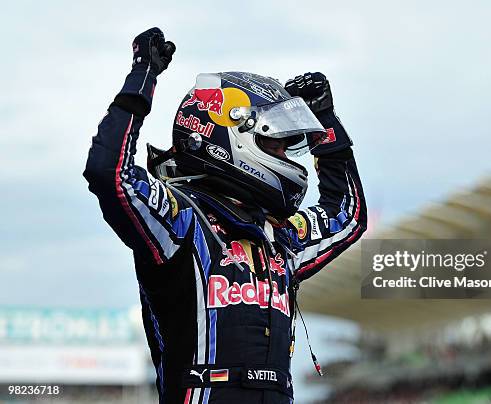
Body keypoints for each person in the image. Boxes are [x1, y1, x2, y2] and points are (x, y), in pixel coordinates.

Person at [84, 27, 367, 404]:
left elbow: (347, 214)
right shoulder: (181, 219)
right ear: (230, 136)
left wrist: (327, 122)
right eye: (275, 145)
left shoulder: (278, 236)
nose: (285, 157)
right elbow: (110, 173)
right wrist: (143, 76)